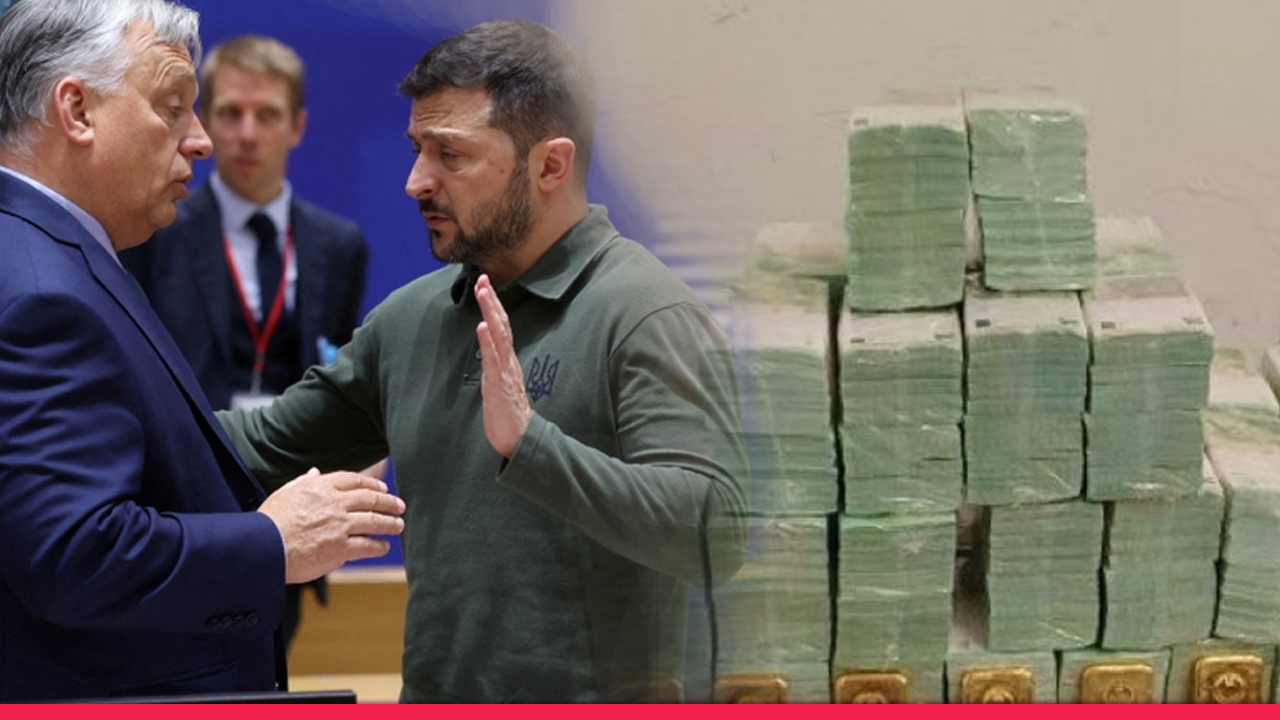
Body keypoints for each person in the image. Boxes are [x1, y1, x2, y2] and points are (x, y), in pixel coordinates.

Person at [218, 19, 748, 702]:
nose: (416, 182)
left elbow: (716, 534)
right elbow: (254, 449)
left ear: (550, 166)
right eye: (418, 150)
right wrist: (111, 410)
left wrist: (532, 446)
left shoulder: (645, 313)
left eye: (451, 155)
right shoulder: (410, 320)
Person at [0, 0, 404, 702]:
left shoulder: (50, 256)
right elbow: (74, 552)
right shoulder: (43, 292)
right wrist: (272, 541)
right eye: (172, 107)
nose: (202, 140)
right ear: (77, 109)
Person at [120, 34, 370, 651]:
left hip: (290, 500)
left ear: (297, 126)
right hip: (183, 509)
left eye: (267, 114)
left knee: (271, 671)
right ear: (205, 121)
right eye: (230, 113)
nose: (248, 134)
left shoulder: (338, 246)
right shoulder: (155, 230)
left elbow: (340, 373)